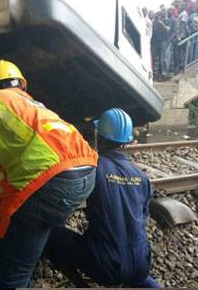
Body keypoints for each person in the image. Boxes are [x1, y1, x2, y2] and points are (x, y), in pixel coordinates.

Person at [0, 60, 98, 288]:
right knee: (39, 224)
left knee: (10, 279)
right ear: (21, 85)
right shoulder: (33, 104)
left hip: (51, 182)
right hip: (86, 171)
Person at [46, 108, 161, 288]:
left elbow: (66, 199)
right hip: (141, 263)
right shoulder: (142, 177)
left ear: (98, 136)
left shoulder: (94, 167)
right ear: (128, 141)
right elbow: (143, 217)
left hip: (107, 265)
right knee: (134, 273)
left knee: (49, 231)